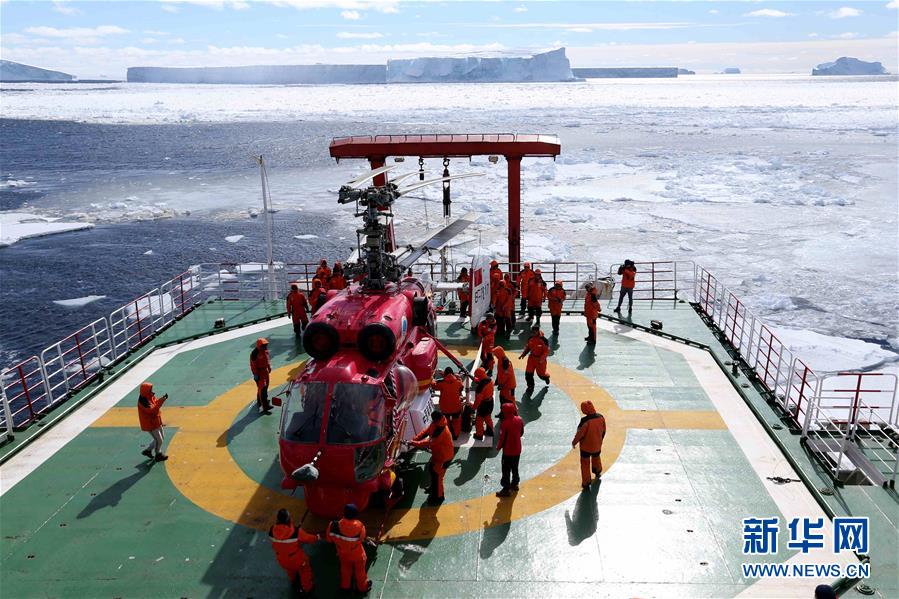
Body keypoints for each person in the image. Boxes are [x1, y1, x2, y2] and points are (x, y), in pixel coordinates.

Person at [268, 508, 319, 594]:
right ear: (288, 519)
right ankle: (308, 588)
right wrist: (317, 537)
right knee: (305, 570)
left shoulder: (272, 530)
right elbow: (309, 539)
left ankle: (293, 581)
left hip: (281, 559)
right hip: (296, 559)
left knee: (290, 570)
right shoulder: (296, 532)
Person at [325, 504, 372, 594]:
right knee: (360, 571)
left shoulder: (332, 525)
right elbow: (361, 539)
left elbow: (329, 540)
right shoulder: (360, 527)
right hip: (357, 554)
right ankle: (362, 588)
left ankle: (345, 587)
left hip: (342, 553)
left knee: (345, 568)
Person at [410, 410, 455, 502]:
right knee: (431, 469)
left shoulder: (440, 431)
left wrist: (414, 443)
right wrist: (415, 439)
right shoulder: (436, 423)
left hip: (444, 458)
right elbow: (426, 431)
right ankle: (433, 488)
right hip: (438, 455)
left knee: (437, 476)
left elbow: (429, 442)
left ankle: (438, 497)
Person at [571, 400, 606, 490]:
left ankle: (586, 482)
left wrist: (574, 442)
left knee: (585, 464)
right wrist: (600, 440)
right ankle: (597, 471)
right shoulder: (601, 417)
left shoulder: (584, 421)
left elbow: (580, 434)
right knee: (596, 458)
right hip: (597, 445)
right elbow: (604, 430)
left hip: (585, 448)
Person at [495, 402, 524, 497]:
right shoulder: (519, 420)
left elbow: (502, 438)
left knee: (506, 469)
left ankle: (506, 489)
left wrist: (498, 447)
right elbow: (521, 433)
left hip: (508, 451)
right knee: (515, 467)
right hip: (517, 449)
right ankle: (515, 483)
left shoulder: (505, 423)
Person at [137, 382, 169, 461]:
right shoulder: (143, 401)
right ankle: (158, 454)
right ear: (146, 390)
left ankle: (148, 451)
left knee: (160, 437)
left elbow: (155, 404)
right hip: (150, 423)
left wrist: (162, 399)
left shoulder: (149, 396)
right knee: (159, 440)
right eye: (150, 389)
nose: (152, 390)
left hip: (156, 420)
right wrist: (161, 401)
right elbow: (152, 410)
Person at [432, 367, 464, 439]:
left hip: (445, 408)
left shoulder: (441, 383)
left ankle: (448, 434)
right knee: (456, 421)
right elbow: (461, 387)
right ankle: (456, 435)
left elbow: (434, 386)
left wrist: (432, 379)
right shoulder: (458, 382)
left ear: (445, 374)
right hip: (456, 407)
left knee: (446, 421)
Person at [519, 325, 550, 390]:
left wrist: (542, 359)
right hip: (532, 359)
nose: (532, 334)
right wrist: (523, 354)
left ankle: (546, 377)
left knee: (541, 375)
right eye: (532, 332)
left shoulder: (544, 340)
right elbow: (528, 347)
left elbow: (546, 351)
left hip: (540, 361)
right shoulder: (530, 338)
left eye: (534, 332)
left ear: (538, 331)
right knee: (528, 374)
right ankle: (530, 386)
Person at [471, 367, 495, 441]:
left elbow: (478, 400)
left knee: (479, 420)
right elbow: (482, 381)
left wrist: (473, 408)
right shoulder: (490, 380)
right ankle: (490, 431)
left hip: (483, 404)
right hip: (490, 402)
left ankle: (479, 435)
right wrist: (475, 379)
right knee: (488, 417)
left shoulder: (480, 387)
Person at [250, 338, 272, 414]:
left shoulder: (265, 351)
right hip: (259, 373)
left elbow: (267, 359)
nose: (266, 346)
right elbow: (253, 365)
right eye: (264, 345)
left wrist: (269, 367)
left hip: (265, 371)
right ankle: (265, 406)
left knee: (264, 387)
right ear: (260, 346)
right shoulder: (255, 354)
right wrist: (256, 374)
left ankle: (260, 401)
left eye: (266, 345)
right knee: (263, 389)